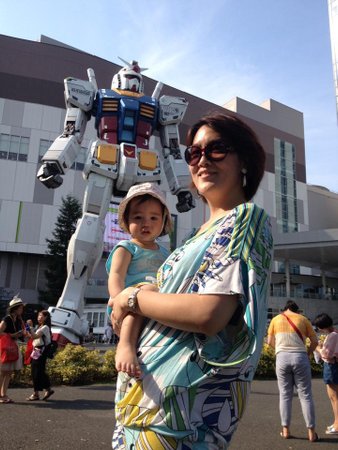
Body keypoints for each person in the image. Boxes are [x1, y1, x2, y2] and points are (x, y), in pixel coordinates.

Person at [110, 113, 273, 449]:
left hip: (181, 420)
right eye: (194, 153)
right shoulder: (194, 237)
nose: (202, 160)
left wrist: (131, 297)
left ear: (245, 160)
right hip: (142, 406)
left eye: (216, 149)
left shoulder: (244, 218)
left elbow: (208, 314)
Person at [106, 182, 172, 377]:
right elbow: (116, 274)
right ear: (126, 221)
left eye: (154, 217)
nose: (146, 223)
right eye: (138, 217)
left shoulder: (165, 252)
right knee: (141, 298)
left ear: (163, 221)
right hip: (131, 300)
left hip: (157, 300)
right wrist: (118, 297)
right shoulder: (126, 247)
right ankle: (125, 345)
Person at [267, 300, 319, 442]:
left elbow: (269, 341)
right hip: (300, 357)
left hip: (282, 358)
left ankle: (286, 430)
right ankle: (311, 433)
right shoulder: (303, 319)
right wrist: (307, 353)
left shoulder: (275, 319)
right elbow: (315, 341)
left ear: (284, 309)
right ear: (297, 310)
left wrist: (279, 350)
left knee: (285, 395)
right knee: (306, 395)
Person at [312, 313, 338, 435]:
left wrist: (317, 348)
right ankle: (336, 422)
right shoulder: (334, 333)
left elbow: (327, 355)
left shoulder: (332, 336)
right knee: (334, 397)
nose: (318, 330)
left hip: (332, 366)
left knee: (334, 397)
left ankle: (337, 425)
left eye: (318, 327)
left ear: (322, 326)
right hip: (333, 365)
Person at [0, 296, 26, 403]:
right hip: (5, 346)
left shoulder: (19, 320)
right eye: (21, 308)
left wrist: (21, 334)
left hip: (12, 346)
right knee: (2, 371)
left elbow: (20, 336)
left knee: (9, 372)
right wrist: (12, 335)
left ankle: (4, 394)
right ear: (15, 308)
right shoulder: (7, 319)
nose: (22, 309)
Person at [26, 310, 54, 401]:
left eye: (41, 316)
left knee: (37, 371)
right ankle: (47, 390)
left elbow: (34, 336)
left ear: (46, 317)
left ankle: (36, 393)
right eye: (38, 315)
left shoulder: (45, 327)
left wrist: (30, 327)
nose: (39, 317)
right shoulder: (40, 326)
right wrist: (28, 328)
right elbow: (31, 336)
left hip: (41, 351)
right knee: (38, 371)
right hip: (37, 350)